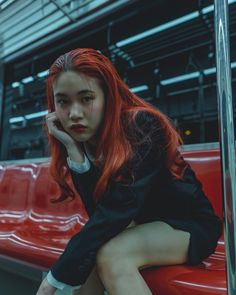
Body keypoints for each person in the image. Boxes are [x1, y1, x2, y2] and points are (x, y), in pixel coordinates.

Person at [36, 48, 222, 295]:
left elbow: (117, 208)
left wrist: (54, 279)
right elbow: (99, 212)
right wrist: (73, 150)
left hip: (188, 225)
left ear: (108, 97)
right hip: (139, 225)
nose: (74, 114)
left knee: (112, 254)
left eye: (86, 98)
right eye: (63, 102)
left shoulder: (142, 127)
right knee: (90, 256)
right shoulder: (84, 143)